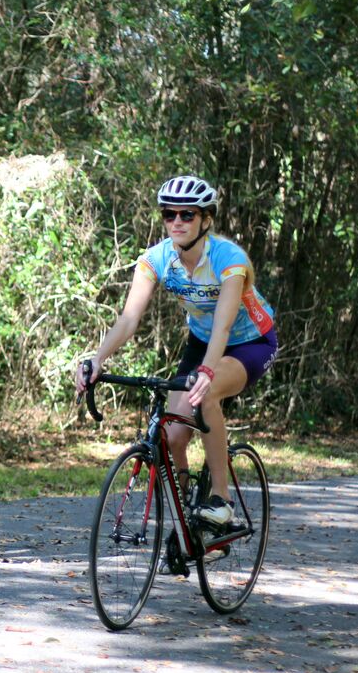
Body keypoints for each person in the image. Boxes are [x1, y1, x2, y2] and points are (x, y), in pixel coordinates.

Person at [75, 176, 278, 525]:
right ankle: (188, 516)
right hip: (202, 341)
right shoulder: (157, 259)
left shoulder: (229, 259)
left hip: (250, 341)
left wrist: (208, 371)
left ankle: (221, 500)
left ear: (205, 219)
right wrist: (97, 358)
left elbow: (224, 326)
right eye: (170, 215)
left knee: (207, 393)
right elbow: (127, 320)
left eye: (187, 214)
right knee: (172, 436)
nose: (178, 222)